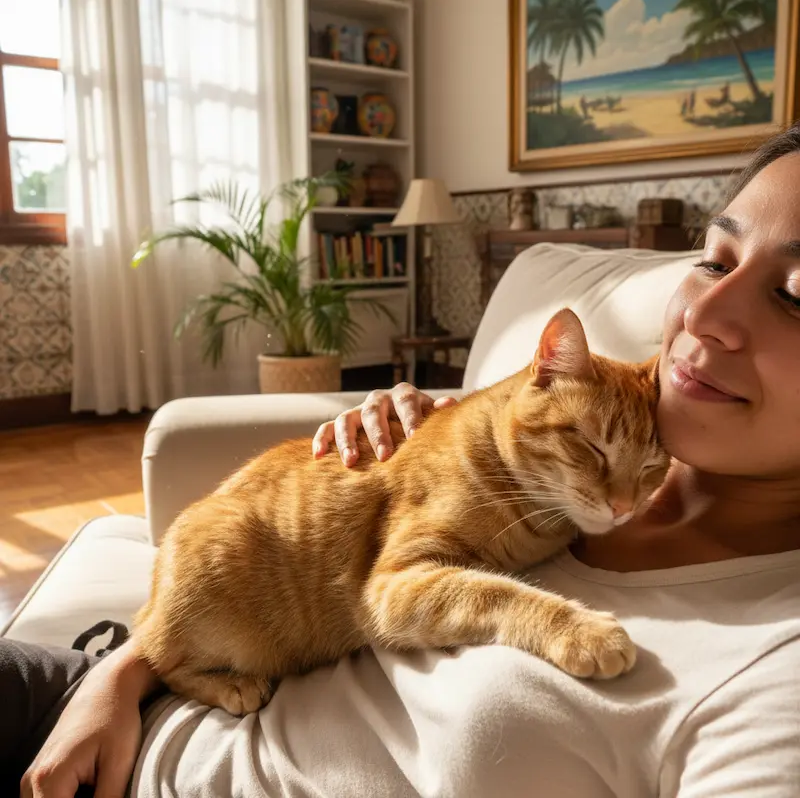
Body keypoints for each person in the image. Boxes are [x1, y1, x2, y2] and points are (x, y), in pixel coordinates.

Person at [9, 123, 800, 796]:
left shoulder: (773, 673)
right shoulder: (596, 432)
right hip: (105, 705)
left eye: (797, 292)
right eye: (715, 258)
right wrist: (123, 672)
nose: (706, 313)